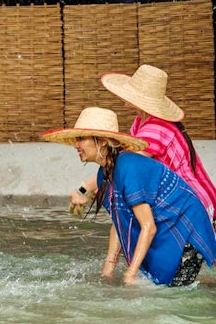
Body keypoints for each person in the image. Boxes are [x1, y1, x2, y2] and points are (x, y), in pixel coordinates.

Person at [43, 107, 216, 286]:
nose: (76, 145)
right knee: (167, 285)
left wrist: (131, 273)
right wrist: (108, 267)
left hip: (185, 225)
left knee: (173, 290)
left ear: (102, 141)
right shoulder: (105, 173)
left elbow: (148, 227)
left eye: (80, 139)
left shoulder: (128, 167)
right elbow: (120, 221)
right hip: (166, 222)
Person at [68, 65, 216, 220]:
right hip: (177, 200)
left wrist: (83, 190)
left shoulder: (156, 127)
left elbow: (123, 166)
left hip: (193, 205)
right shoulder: (141, 121)